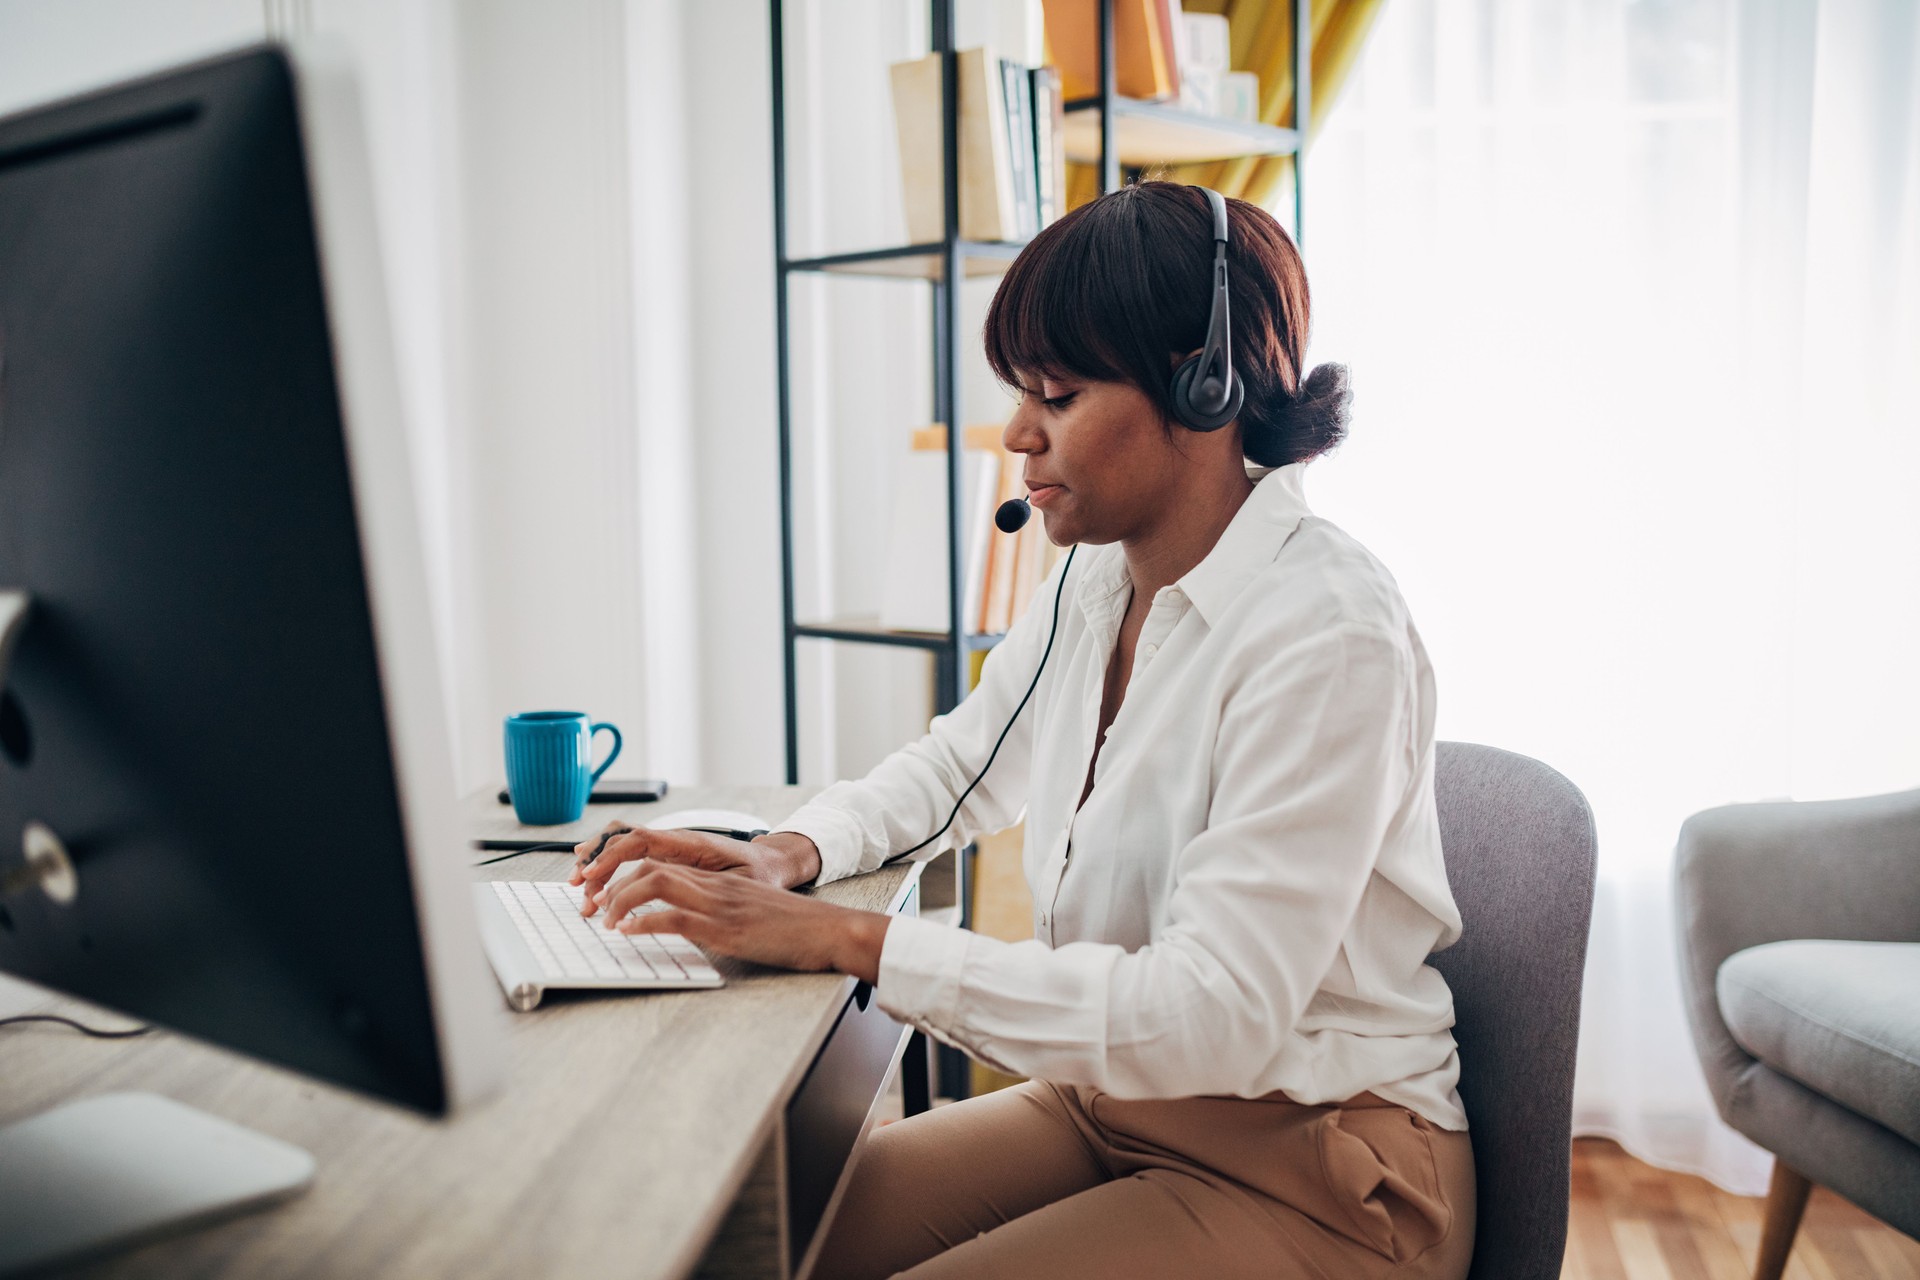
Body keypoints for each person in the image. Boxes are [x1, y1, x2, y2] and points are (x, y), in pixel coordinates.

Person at [571, 181, 1474, 1280]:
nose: (1017, 432)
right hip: (1117, 1106)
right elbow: (967, 761)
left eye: (1061, 391)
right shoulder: (1098, 577)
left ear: (1205, 387)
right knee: (750, 1242)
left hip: (1323, 1173)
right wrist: (791, 852)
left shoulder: (1328, 635)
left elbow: (1211, 1015)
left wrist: (848, 938)